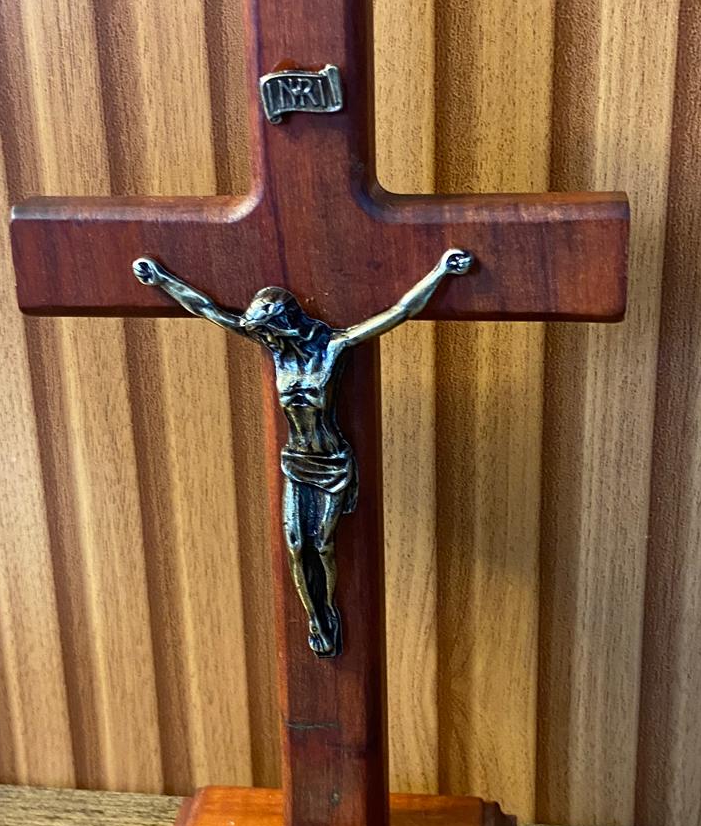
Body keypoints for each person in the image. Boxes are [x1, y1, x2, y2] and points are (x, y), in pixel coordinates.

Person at [134, 248, 474, 656]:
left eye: (269, 330)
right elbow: (207, 309)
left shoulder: (332, 347)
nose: (265, 338)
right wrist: (160, 279)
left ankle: (327, 609)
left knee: (323, 544)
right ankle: (315, 618)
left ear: (286, 323)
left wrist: (441, 271)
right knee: (297, 544)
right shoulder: (275, 350)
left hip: (332, 463)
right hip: (296, 461)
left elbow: (400, 311)